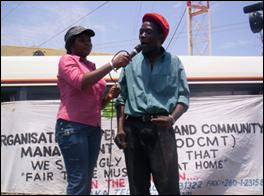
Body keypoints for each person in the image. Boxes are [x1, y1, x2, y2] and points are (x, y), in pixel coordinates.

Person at [115, 13, 190, 195]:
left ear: (161, 37)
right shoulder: (130, 63)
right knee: (137, 187)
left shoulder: (174, 62)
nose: (142, 36)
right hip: (133, 129)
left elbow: (183, 97)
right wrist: (120, 128)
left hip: (161, 129)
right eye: (141, 32)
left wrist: (171, 118)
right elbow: (121, 97)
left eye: (148, 32)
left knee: (168, 186)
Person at [55, 26, 130, 195]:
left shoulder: (90, 66)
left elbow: (96, 105)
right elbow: (80, 82)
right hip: (72, 127)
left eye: (89, 40)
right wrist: (112, 64)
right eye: (82, 40)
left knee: (86, 178)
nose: (88, 43)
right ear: (70, 44)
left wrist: (108, 97)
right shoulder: (67, 60)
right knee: (79, 179)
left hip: (92, 128)